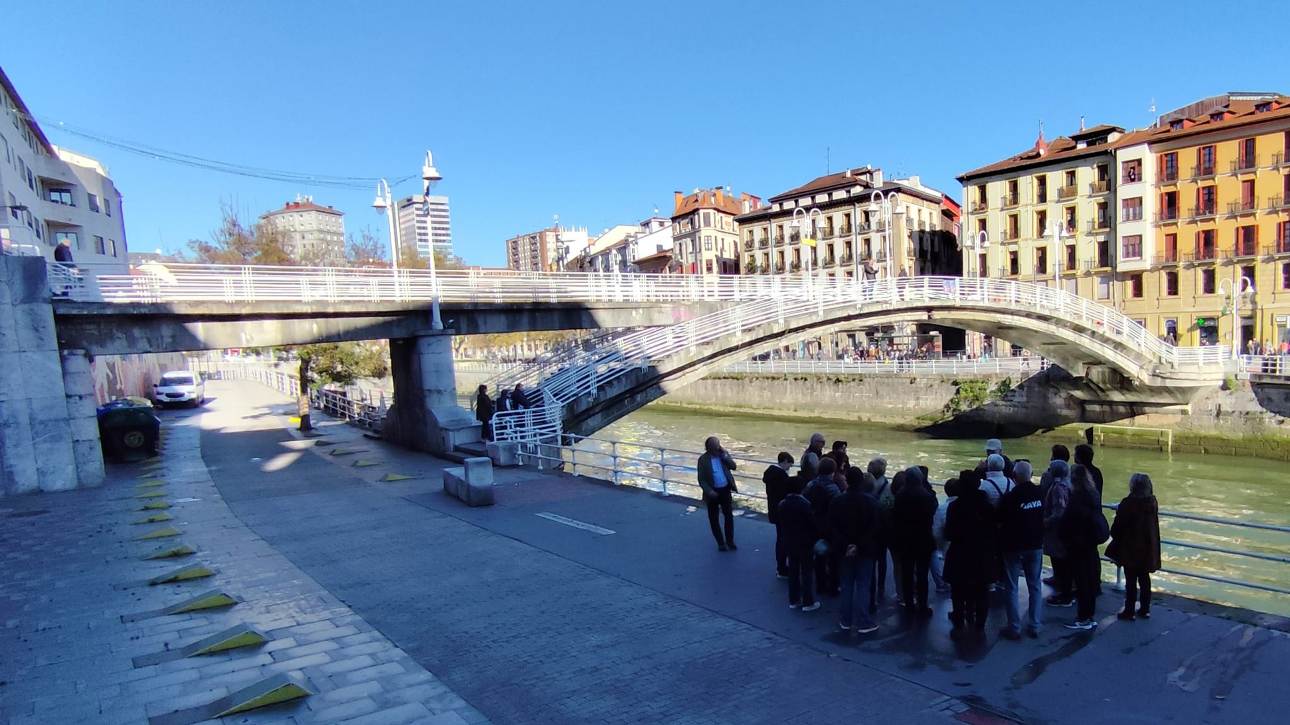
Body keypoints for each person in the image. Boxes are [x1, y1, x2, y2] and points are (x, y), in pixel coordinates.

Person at [998, 461, 1045, 639]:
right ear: (1031, 475)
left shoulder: (1011, 497)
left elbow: (1000, 517)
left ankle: (1014, 627)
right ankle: (1034, 624)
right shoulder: (1040, 492)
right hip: (1036, 544)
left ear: (1014, 476)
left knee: (1011, 586)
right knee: (1035, 585)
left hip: (1014, 546)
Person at [831, 468, 881, 633]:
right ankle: (863, 620)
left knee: (846, 585)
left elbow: (834, 527)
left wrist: (847, 544)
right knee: (863, 585)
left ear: (846, 480)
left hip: (844, 549)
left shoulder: (837, 501)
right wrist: (858, 544)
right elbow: (873, 528)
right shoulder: (871, 502)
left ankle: (845, 619)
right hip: (865, 549)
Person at [1060, 465, 1109, 630]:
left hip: (1078, 544)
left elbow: (1068, 522)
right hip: (1090, 544)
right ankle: (1089, 616)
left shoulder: (1077, 498)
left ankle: (1083, 618)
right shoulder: (1093, 495)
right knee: (1089, 580)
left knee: (1082, 582)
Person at [944, 470, 994, 633]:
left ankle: (959, 620)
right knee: (981, 590)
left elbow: (949, 533)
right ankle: (980, 623)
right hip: (982, 554)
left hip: (960, 553)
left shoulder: (954, 506)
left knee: (958, 590)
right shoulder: (987, 505)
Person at [1106, 473, 1161, 621]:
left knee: (1131, 580)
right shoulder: (1152, 503)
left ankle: (1129, 610)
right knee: (1144, 578)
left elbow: (1117, 528)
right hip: (1148, 547)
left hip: (1130, 547)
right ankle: (1145, 609)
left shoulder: (1128, 503)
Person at [892, 466, 938, 617]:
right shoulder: (928, 497)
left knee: (907, 573)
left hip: (905, 539)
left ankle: (909, 603)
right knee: (922, 574)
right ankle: (923, 604)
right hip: (923, 539)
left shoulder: (900, 495)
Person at [777, 484, 819, 612]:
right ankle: (808, 601)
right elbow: (812, 523)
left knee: (793, 570)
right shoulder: (804, 504)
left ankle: (794, 600)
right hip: (804, 542)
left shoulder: (782, 504)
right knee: (806, 571)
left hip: (789, 541)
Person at [804, 458, 842, 597]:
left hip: (814, 525)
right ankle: (833, 586)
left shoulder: (810, 484)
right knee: (833, 558)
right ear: (832, 472)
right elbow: (839, 508)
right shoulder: (833, 488)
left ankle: (820, 585)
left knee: (818, 555)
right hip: (830, 527)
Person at [696, 437, 738, 552]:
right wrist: (709, 491)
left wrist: (724, 456)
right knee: (713, 518)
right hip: (712, 492)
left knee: (728, 516)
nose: (717, 449)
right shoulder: (703, 460)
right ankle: (720, 543)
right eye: (714, 447)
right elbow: (701, 479)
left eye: (718, 446)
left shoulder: (723, 455)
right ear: (708, 448)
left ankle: (730, 541)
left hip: (725, 489)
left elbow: (733, 467)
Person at [1042, 460, 1075, 607]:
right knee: (1063, 562)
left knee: (1060, 561)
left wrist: (1046, 521)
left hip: (1057, 532)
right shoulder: (1068, 484)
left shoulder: (1058, 488)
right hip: (1065, 530)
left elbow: (1059, 512)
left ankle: (1065, 594)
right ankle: (1064, 589)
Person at [763, 452, 797, 578]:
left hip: (774, 511)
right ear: (785, 461)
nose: (789, 468)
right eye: (789, 465)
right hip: (783, 513)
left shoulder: (770, 474)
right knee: (783, 541)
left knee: (780, 539)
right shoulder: (781, 477)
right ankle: (782, 568)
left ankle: (781, 567)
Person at [869, 457, 895, 609]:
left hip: (870, 527)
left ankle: (872, 586)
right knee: (882, 558)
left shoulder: (866, 484)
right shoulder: (888, 486)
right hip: (883, 528)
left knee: (871, 559)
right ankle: (881, 585)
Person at [930, 477, 958, 594]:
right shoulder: (967, 506)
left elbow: (936, 531)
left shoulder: (941, 508)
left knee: (934, 554)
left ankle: (941, 584)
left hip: (945, 542)